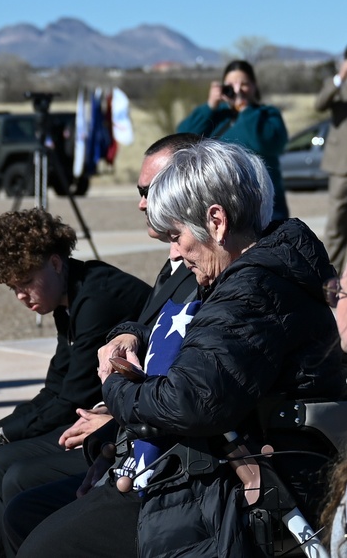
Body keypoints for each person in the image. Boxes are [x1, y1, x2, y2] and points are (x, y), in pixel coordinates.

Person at [18, 139, 345, 558]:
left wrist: (115, 386)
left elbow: (187, 400)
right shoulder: (254, 269)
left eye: (177, 235)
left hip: (242, 496)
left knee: (42, 549)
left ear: (216, 220)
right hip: (229, 472)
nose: (176, 252)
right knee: (30, 519)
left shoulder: (252, 290)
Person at [0, 134, 201, 556]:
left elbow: (191, 392)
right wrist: (125, 333)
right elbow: (147, 324)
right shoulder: (176, 260)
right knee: (14, 488)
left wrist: (110, 422)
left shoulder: (210, 266)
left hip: (157, 454)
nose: (142, 204)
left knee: (15, 478)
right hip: (125, 429)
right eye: (139, 192)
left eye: (150, 192)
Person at [0, 207, 151, 558]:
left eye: (25, 282)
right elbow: (55, 389)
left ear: (55, 263)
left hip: (122, 428)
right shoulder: (69, 300)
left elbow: (71, 399)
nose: (21, 296)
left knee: (11, 471)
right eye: (13, 287)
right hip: (95, 417)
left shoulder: (96, 299)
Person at [178, 58, 290, 220]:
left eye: (244, 84)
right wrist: (210, 106)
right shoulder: (215, 115)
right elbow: (182, 139)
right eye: (231, 85)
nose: (238, 90)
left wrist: (244, 108)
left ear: (254, 85)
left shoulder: (267, 114)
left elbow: (266, 144)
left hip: (264, 204)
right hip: (220, 203)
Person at [315, 46, 347, 273]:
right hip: (342, 166)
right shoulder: (336, 85)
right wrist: (341, 77)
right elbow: (320, 104)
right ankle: (330, 281)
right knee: (336, 225)